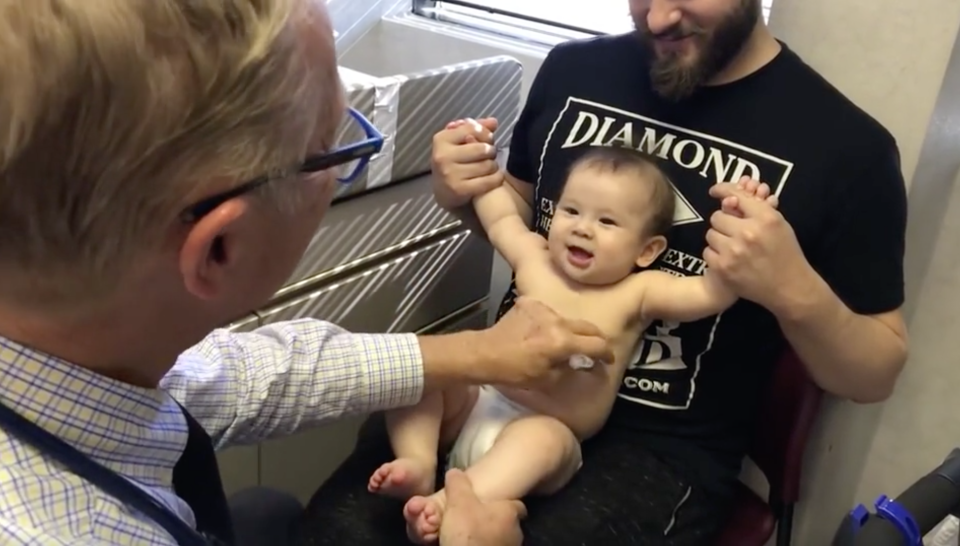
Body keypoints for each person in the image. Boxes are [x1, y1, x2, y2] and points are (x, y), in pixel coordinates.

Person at [0, 1, 615, 546]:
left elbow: (227, 378)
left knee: (266, 510)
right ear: (220, 248)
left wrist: (478, 352)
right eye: (335, 149)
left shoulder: (85, 343)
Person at [421, 0, 910, 543]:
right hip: (495, 385)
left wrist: (791, 287)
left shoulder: (849, 149)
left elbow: (874, 372)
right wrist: (462, 192)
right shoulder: (571, 70)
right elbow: (520, 219)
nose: (656, 20)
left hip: (659, 453)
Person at [370, 144, 777, 543]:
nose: (582, 227)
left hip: (544, 432)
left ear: (647, 250)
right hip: (479, 401)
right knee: (423, 365)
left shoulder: (638, 292)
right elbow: (500, 220)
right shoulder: (536, 258)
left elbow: (710, 294)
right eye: (571, 211)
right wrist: (481, 166)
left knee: (543, 441)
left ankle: (446, 504)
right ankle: (418, 461)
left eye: (607, 222)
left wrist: (739, 227)